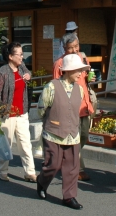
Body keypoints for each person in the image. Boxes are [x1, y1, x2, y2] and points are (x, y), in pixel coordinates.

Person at [37, 53, 88, 210]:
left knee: (72, 168)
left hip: (73, 133)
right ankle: (42, 182)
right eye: (77, 70)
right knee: (53, 164)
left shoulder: (79, 90)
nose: (80, 73)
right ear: (67, 71)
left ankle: (69, 197)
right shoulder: (51, 87)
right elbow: (41, 109)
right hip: (53, 133)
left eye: (81, 70)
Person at [52, 22, 94, 181]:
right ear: (64, 48)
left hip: (84, 105)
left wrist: (91, 78)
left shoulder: (83, 58)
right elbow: (56, 87)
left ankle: (66, 159)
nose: (74, 50)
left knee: (82, 137)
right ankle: (76, 168)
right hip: (69, 109)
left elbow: (87, 78)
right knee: (74, 139)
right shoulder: (60, 64)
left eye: (76, 46)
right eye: (70, 47)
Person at [0, 42, 36, 182]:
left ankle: (30, 173)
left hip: (22, 113)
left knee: (25, 144)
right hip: (7, 114)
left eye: (22, 54)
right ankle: (3, 171)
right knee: (7, 144)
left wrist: (28, 76)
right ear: (10, 56)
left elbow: (29, 73)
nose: (22, 57)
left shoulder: (22, 67)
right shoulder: (3, 72)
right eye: (19, 54)